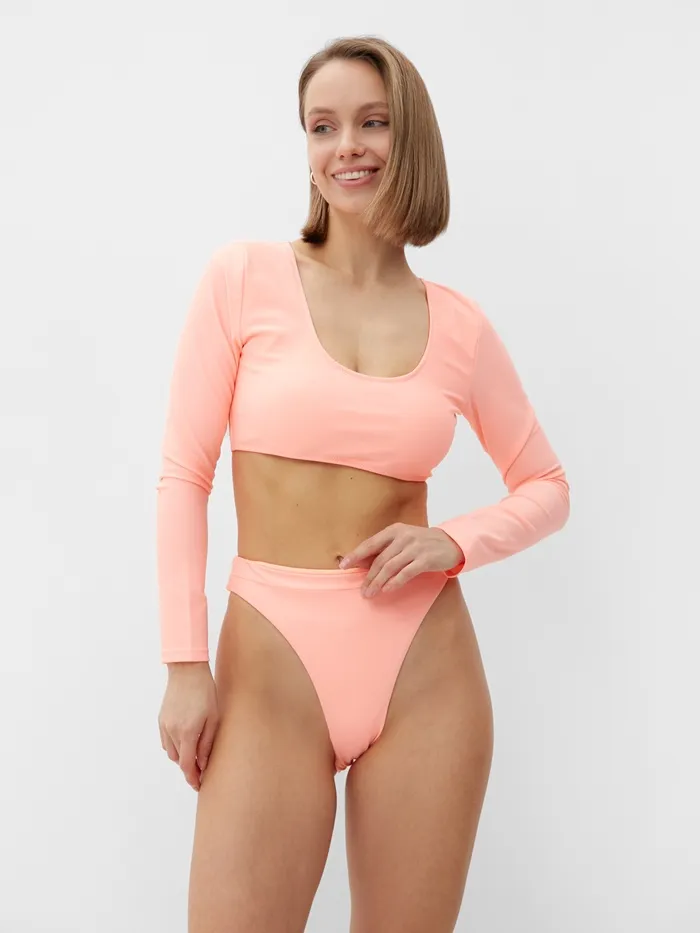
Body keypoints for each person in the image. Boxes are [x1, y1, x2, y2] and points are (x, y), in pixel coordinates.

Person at [156, 34, 570, 933]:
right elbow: (184, 474)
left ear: (407, 135)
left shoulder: (458, 326)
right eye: (323, 126)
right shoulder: (244, 278)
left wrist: (454, 540)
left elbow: (545, 483)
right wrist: (185, 664)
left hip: (425, 664)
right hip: (271, 660)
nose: (347, 145)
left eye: (372, 122)